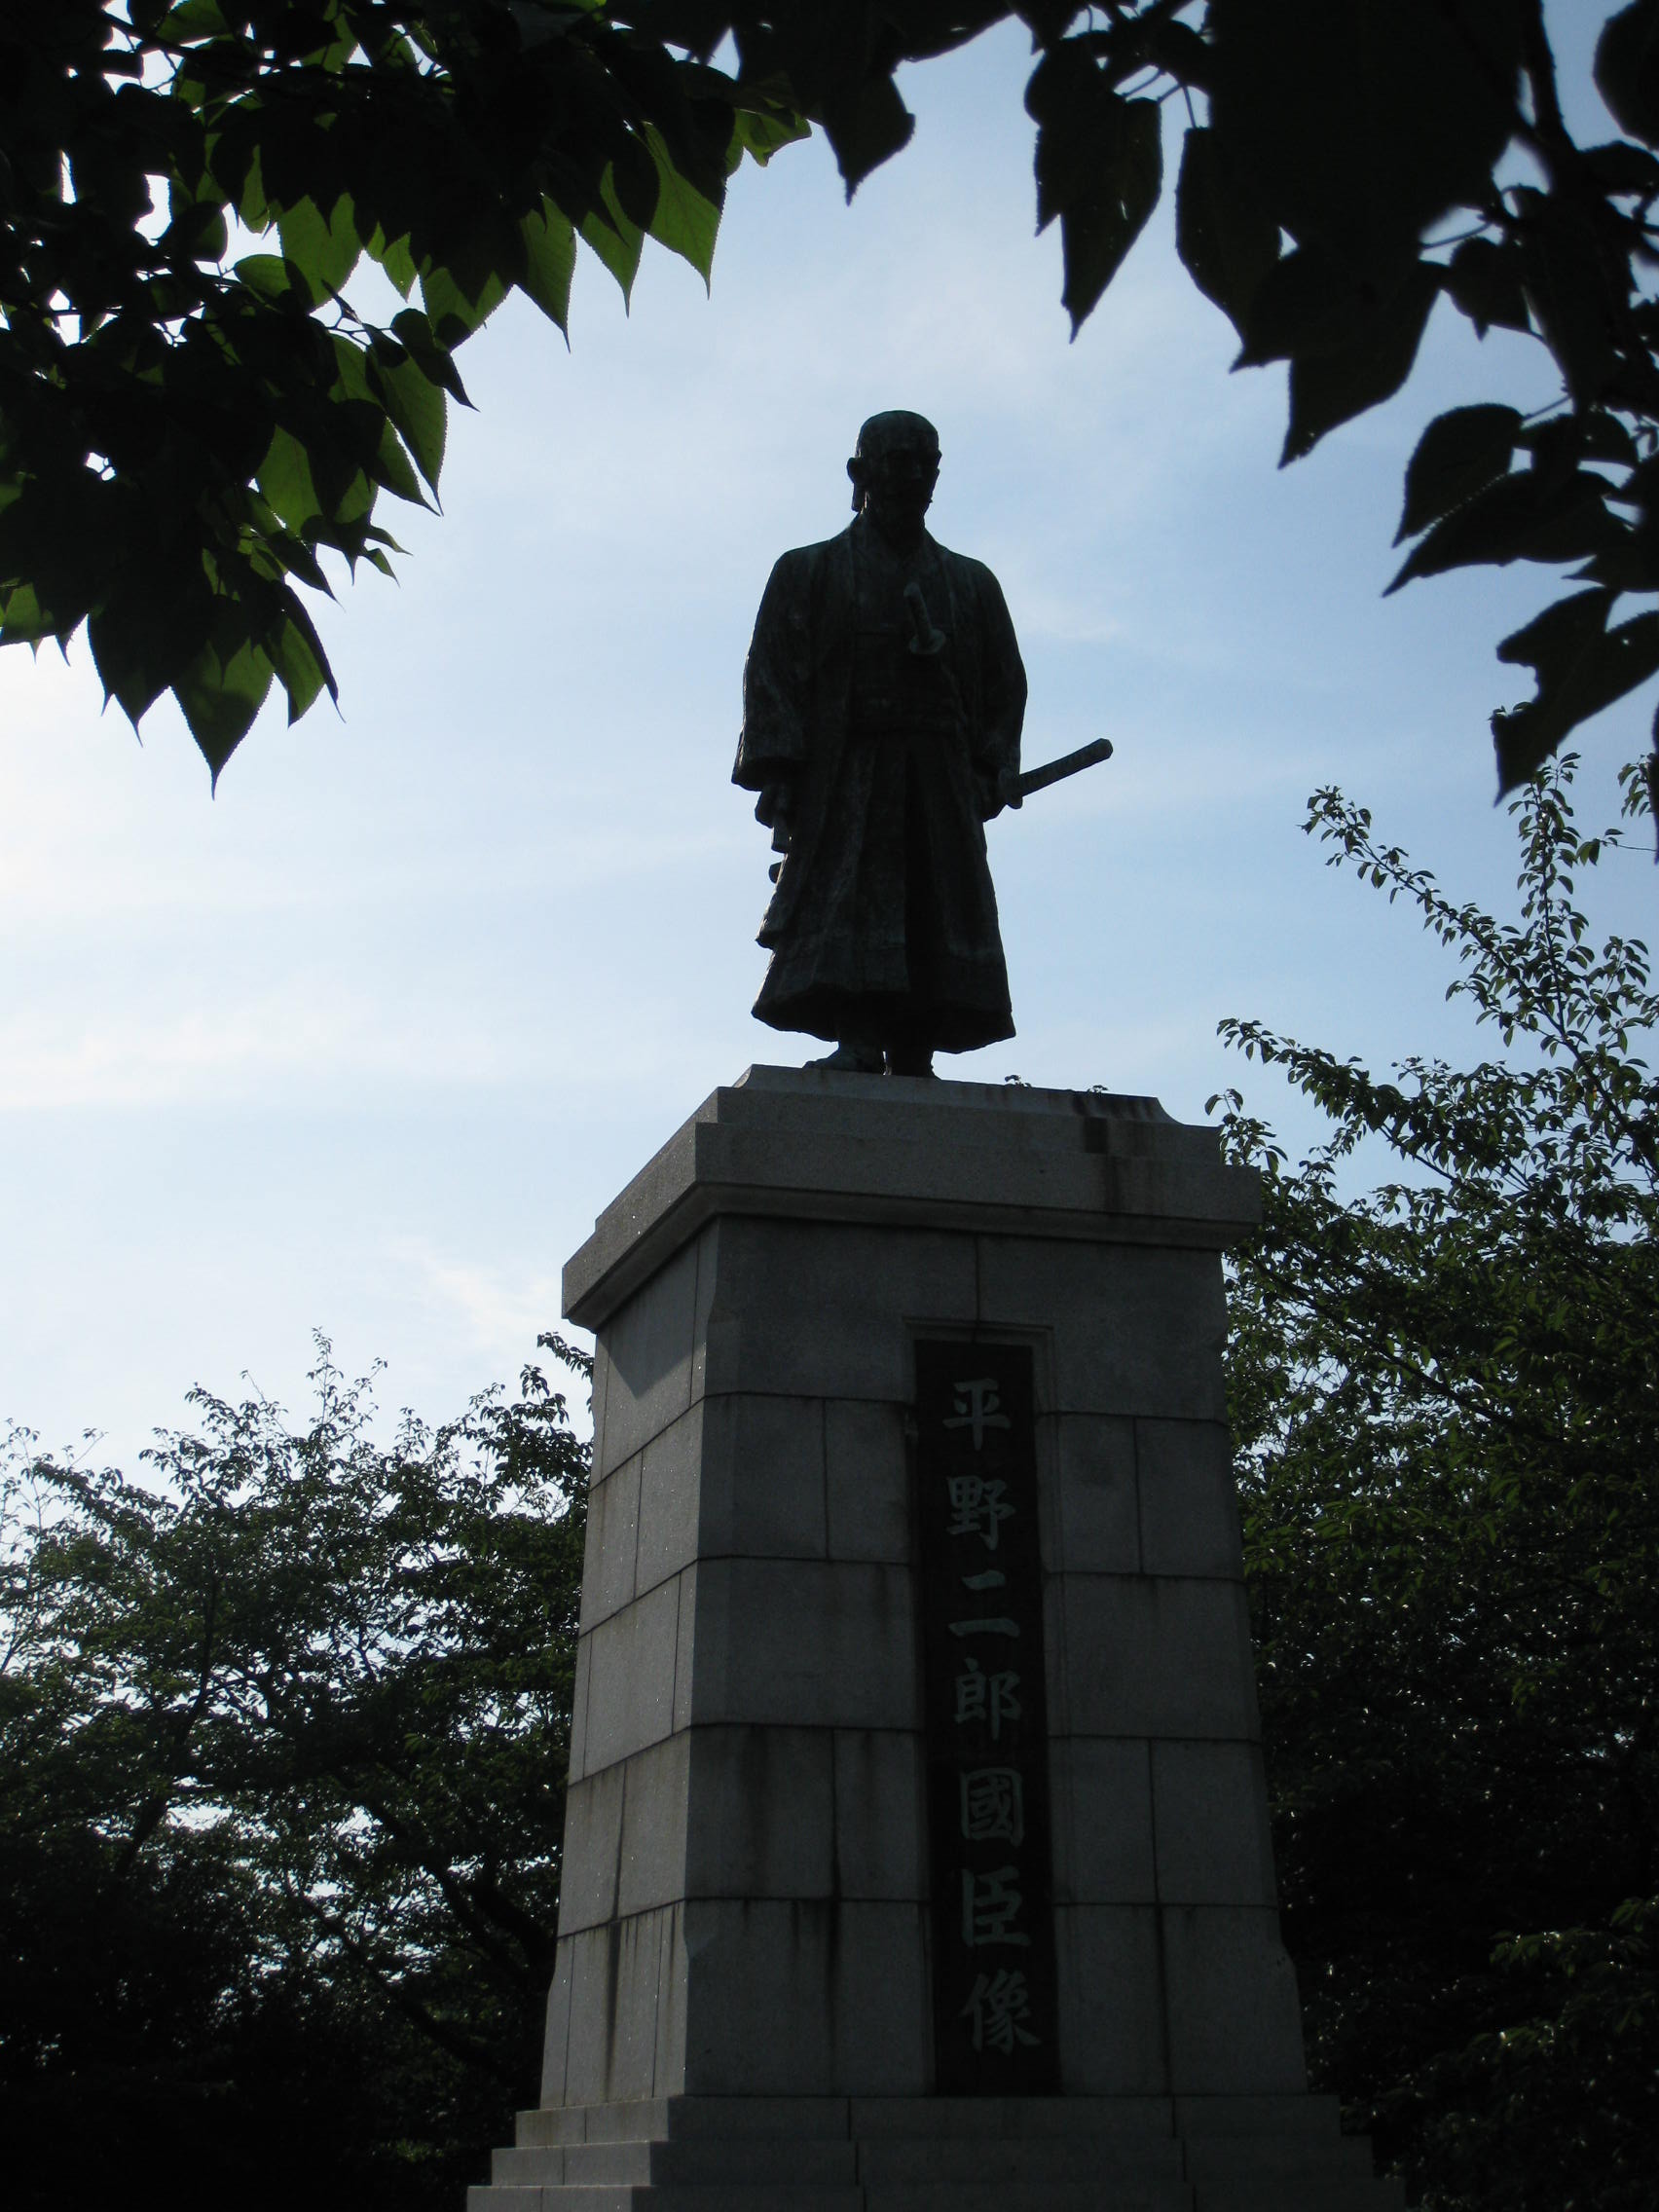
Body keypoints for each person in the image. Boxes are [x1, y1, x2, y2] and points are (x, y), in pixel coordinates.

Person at [734, 411, 1026, 1077]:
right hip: (849, 768)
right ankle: (860, 1036)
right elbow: (772, 675)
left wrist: (990, 762)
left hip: (938, 774)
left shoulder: (971, 584)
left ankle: (916, 1048)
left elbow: (1004, 685)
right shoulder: (809, 572)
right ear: (860, 474)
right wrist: (783, 771)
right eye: (898, 462)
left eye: (927, 464)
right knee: (853, 898)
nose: (914, 477)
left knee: (933, 900)